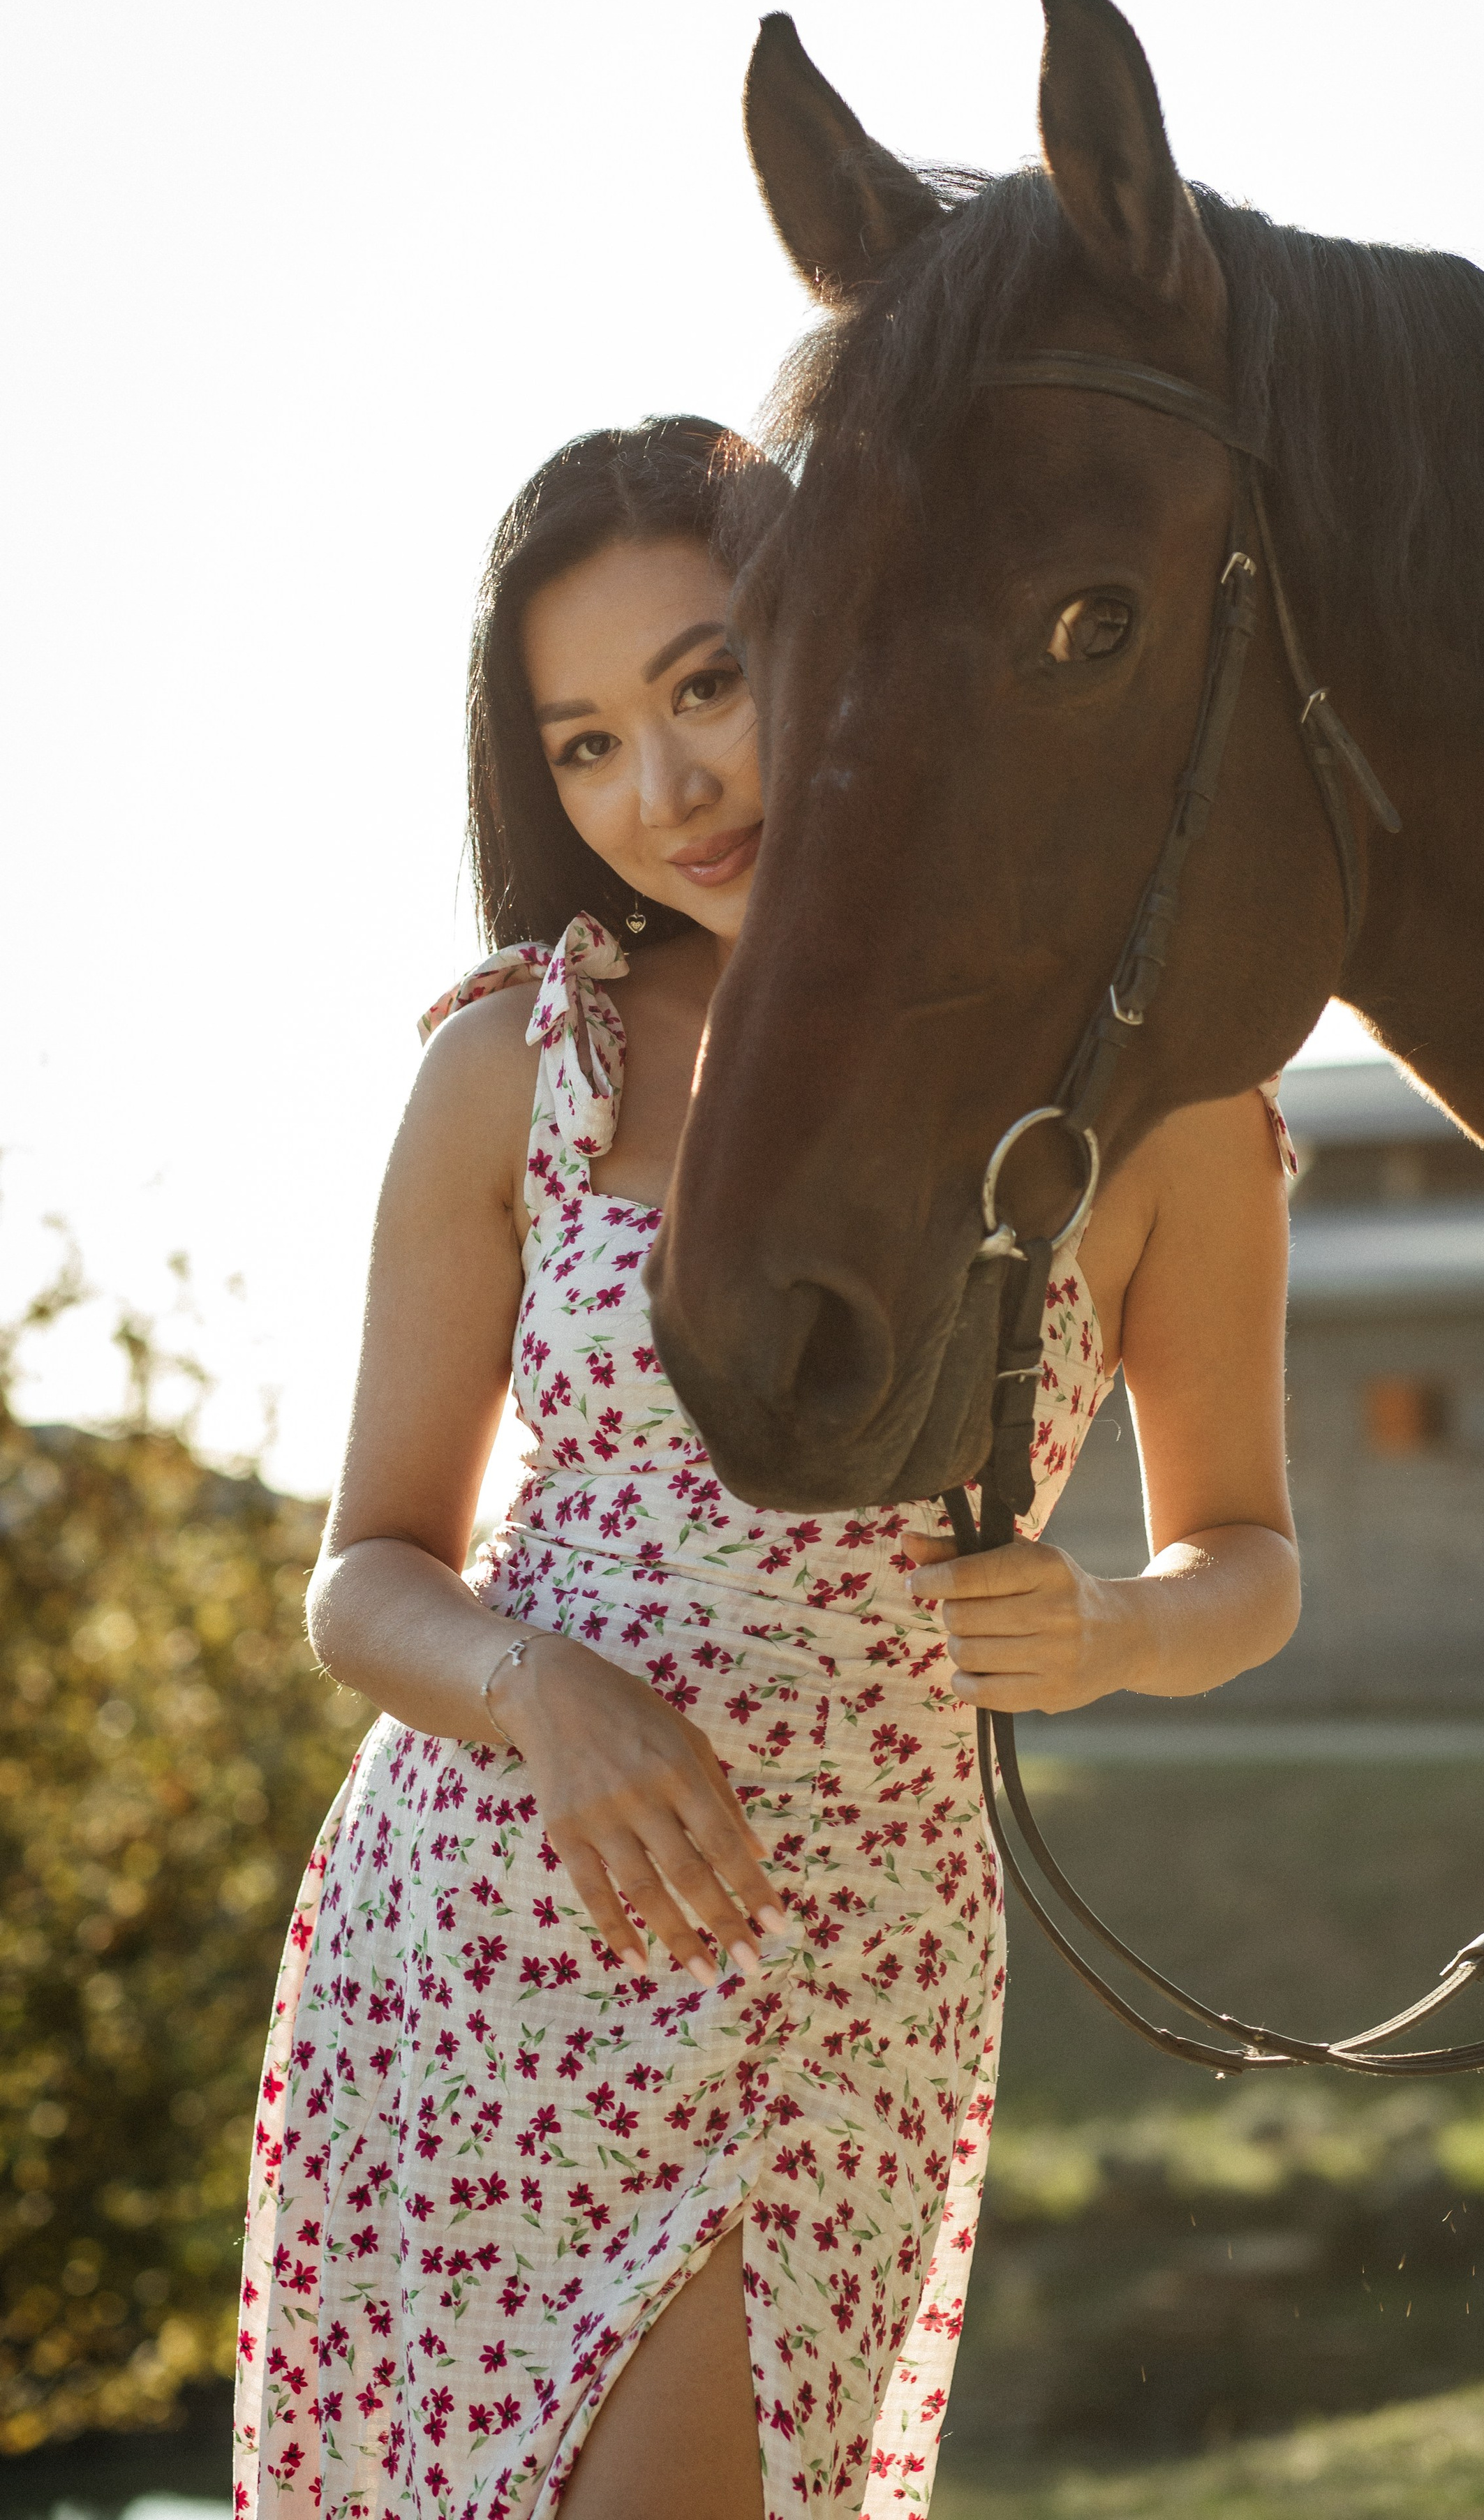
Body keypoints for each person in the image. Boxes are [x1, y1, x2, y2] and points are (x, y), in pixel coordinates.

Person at [232, 416, 1302, 2520]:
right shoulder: (519, 1064)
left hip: (857, 1954)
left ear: (841, 636)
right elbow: (365, 1570)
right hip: (480, 1941)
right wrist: (543, 1696)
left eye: (707, 683)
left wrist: (1107, 1635)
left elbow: (1251, 1554)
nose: (669, 789)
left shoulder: (1156, 1086)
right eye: (588, 744)